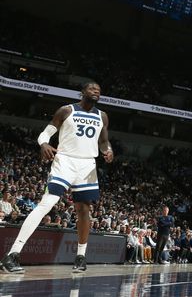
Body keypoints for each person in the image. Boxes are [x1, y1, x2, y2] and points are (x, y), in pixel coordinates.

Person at [0, 82, 113, 274]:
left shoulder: (102, 116)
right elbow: (47, 131)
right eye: (92, 89)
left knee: (84, 210)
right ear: (82, 92)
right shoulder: (66, 110)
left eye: (99, 90)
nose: (96, 91)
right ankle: (13, 254)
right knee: (47, 204)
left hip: (87, 165)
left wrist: (108, 150)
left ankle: (80, 257)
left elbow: (103, 141)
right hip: (65, 160)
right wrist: (43, 143)